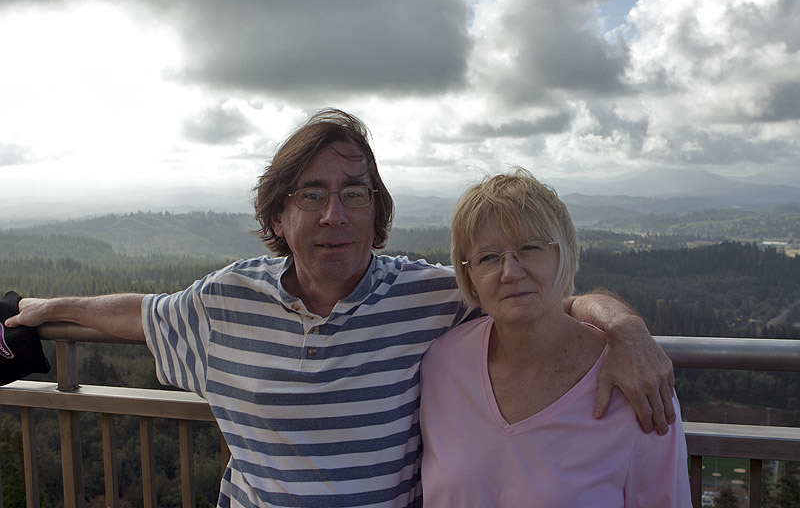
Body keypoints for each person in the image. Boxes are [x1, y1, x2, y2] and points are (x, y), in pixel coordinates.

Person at [5, 109, 676, 508]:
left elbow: (528, 288)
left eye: (355, 194)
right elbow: (134, 312)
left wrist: (624, 326)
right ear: (277, 211)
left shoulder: (434, 298)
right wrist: (31, 309)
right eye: (311, 195)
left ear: (377, 211)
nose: (335, 215)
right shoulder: (224, 302)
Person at [419, 169, 691, 507]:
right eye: (487, 257)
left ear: (565, 255)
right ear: (469, 277)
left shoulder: (634, 382)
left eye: (530, 248)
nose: (510, 272)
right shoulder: (443, 364)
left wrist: (626, 328)